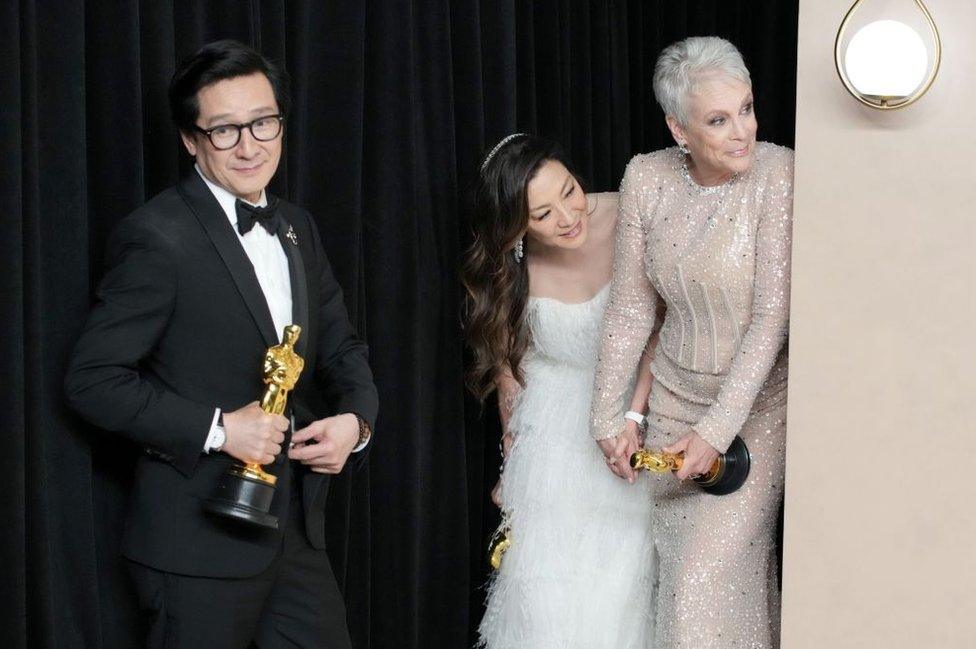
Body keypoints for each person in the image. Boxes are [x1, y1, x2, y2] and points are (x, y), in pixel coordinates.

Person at [64, 40, 378, 649]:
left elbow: (343, 349)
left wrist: (356, 424)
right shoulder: (156, 237)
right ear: (191, 140)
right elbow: (91, 379)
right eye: (225, 130)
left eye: (263, 123)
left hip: (291, 536)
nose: (250, 144)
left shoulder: (297, 228)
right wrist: (218, 429)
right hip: (192, 541)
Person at [590, 36, 793, 648]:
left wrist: (715, 432)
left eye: (748, 109)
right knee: (692, 585)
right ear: (679, 129)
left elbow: (770, 320)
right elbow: (630, 310)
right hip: (671, 404)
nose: (743, 132)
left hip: (755, 413)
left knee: (705, 583)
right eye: (718, 119)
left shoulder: (780, 174)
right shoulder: (645, 177)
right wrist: (608, 418)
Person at [464, 134, 656, 649]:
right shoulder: (510, 266)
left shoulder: (629, 213)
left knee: (621, 585)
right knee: (546, 595)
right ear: (516, 226)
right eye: (543, 214)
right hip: (551, 431)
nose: (569, 217)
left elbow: (661, 329)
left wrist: (632, 419)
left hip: (631, 421)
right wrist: (512, 455)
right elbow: (511, 370)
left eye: (569, 192)